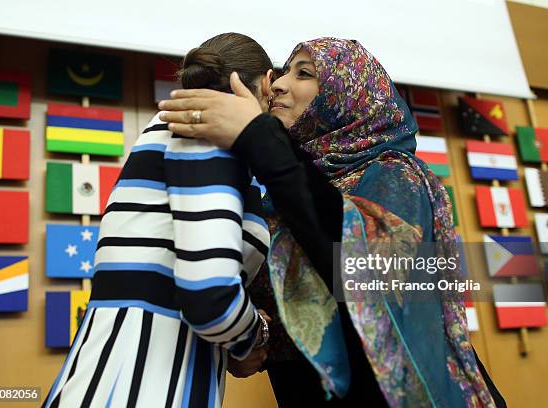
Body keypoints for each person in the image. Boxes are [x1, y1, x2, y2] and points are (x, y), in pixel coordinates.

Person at [158, 37, 507, 407]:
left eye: (303, 73)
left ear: (346, 95)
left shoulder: (394, 175)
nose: (277, 83)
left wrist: (261, 137)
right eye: (284, 70)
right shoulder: (279, 187)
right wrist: (250, 343)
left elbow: (356, 267)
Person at [42, 33, 273, 408]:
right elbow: (210, 294)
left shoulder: (174, 125)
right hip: (145, 382)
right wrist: (255, 335)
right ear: (265, 83)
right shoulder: (208, 131)